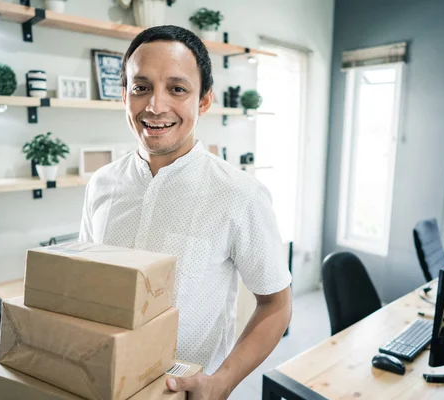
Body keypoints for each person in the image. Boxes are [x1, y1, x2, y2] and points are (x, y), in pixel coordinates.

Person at [79, 25, 292, 400]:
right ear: (123, 94)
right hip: (98, 384)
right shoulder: (101, 184)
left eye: (177, 89)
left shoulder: (240, 194)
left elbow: (276, 306)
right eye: (141, 87)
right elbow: (87, 285)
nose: (155, 106)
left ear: (204, 101)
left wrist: (222, 381)